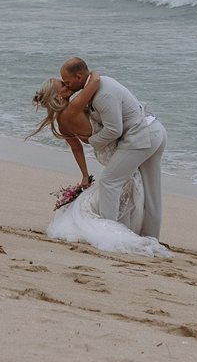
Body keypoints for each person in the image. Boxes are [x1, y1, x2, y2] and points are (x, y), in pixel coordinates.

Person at [29, 71, 168, 258]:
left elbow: (76, 148)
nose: (67, 85)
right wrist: (87, 74)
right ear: (58, 96)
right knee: (121, 186)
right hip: (119, 150)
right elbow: (94, 80)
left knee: (120, 187)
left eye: (65, 82)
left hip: (114, 153)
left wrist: (85, 175)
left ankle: (127, 231)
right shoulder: (74, 108)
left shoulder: (62, 122)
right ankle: (112, 232)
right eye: (63, 85)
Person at [60, 57, 167, 242]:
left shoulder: (102, 95)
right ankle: (151, 237)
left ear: (78, 77)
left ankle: (108, 234)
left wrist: (92, 141)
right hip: (155, 130)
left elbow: (114, 129)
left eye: (67, 82)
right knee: (152, 192)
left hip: (141, 137)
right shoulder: (98, 85)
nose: (67, 86)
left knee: (109, 182)